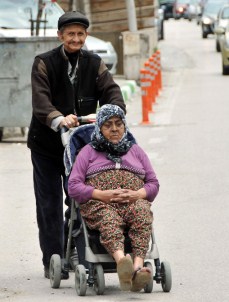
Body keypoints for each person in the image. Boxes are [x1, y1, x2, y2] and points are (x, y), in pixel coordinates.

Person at [27, 11, 126, 279]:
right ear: (60, 36)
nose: (76, 38)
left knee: (80, 198)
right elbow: (41, 101)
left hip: (81, 145)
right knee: (48, 204)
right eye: (70, 33)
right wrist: (59, 118)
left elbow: (112, 91)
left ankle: (78, 252)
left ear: (86, 36)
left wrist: (112, 111)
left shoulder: (95, 63)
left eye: (81, 34)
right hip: (47, 144)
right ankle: (53, 259)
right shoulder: (44, 62)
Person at [68, 104, 160, 292]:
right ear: (100, 128)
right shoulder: (88, 152)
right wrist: (101, 195)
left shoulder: (136, 151)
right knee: (108, 219)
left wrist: (138, 194)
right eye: (108, 125)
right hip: (100, 204)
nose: (115, 129)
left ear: (125, 126)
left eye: (119, 124)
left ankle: (137, 268)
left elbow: (153, 183)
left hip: (132, 201)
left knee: (143, 214)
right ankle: (122, 263)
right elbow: (74, 186)